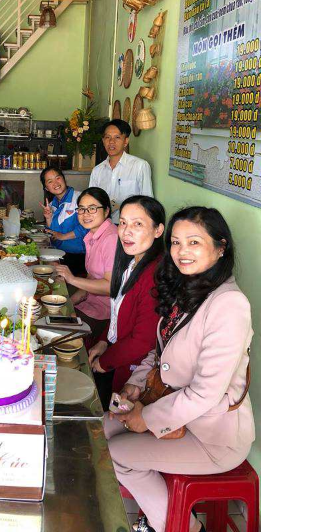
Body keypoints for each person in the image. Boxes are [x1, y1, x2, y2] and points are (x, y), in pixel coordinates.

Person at [104, 207, 254, 532]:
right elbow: (160, 351)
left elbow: (205, 393)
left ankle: (184, 527)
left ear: (221, 247)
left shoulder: (229, 305)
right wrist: (135, 384)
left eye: (194, 242)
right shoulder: (189, 289)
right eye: (176, 242)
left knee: (117, 454)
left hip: (212, 435)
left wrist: (147, 418)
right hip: (175, 413)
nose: (182, 251)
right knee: (102, 429)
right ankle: (166, 516)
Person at [84, 195, 164, 408]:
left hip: (134, 370)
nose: (127, 231)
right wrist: (104, 340)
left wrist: (105, 361)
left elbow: (142, 340)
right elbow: (117, 312)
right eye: (123, 223)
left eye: (138, 224)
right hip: (116, 351)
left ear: (158, 230)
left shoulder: (154, 275)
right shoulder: (131, 263)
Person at [53, 188, 119, 340]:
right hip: (88, 305)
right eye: (81, 209)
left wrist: (72, 279)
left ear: (106, 211)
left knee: (55, 336)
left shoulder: (111, 238)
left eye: (92, 208)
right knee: (49, 317)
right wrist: (68, 303)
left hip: (104, 314)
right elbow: (90, 280)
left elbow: (110, 287)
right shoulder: (92, 236)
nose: (85, 214)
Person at [89, 119, 153, 225]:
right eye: (107, 137)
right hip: (103, 225)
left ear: (126, 141)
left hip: (130, 225)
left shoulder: (140, 166)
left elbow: (148, 201)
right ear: (103, 140)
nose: (111, 142)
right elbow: (92, 201)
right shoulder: (97, 171)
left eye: (117, 137)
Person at [39, 167, 89, 276]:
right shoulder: (51, 205)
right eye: (50, 181)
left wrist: (63, 236)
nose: (55, 183)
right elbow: (53, 233)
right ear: (46, 188)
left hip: (79, 257)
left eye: (58, 178)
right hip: (59, 255)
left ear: (64, 179)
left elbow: (88, 226)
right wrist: (48, 218)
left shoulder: (80, 198)